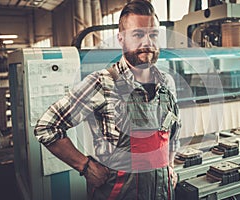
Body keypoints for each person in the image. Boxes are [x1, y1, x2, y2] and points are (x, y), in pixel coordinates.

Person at [34, 0, 181, 199]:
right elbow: (47, 127)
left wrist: (169, 166)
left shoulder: (167, 83)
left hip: (162, 193)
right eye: (138, 34)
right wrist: (84, 166)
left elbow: (173, 132)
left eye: (153, 34)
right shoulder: (101, 83)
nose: (147, 42)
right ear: (121, 39)